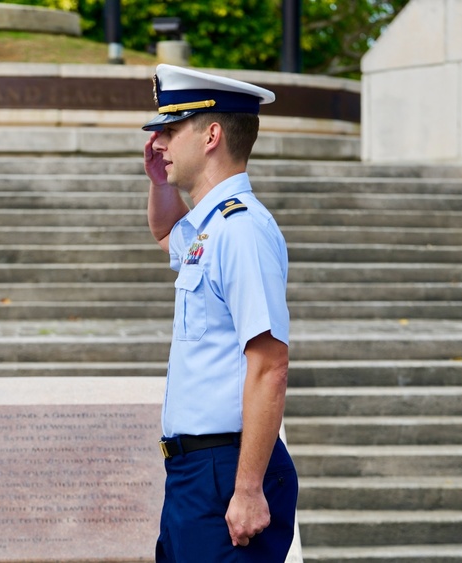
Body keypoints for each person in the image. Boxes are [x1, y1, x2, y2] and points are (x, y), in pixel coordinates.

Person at [143, 64, 299, 562]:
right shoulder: (211, 226)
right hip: (197, 474)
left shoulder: (241, 230)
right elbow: (168, 236)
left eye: (170, 130)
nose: (158, 142)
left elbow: (270, 362)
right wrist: (160, 182)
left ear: (211, 134)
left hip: (227, 469)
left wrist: (248, 488)